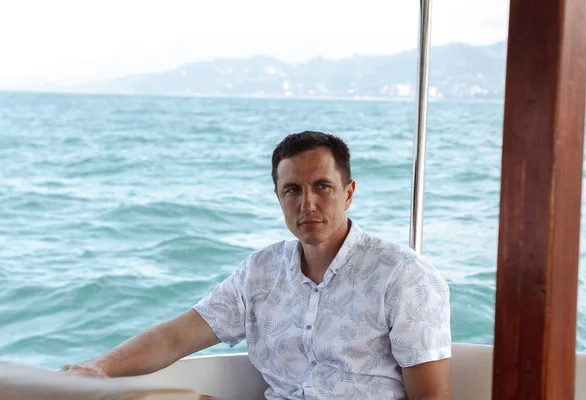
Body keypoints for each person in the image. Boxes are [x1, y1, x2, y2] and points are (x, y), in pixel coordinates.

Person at [62, 131, 452, 399]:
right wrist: (98, 368)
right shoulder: (261, 272)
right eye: (293, 190)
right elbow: (176, 337)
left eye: (322, 187)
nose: (308, 205)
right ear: (278, 196)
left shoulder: (403, 275)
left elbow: (431, 395)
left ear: (348, 193)